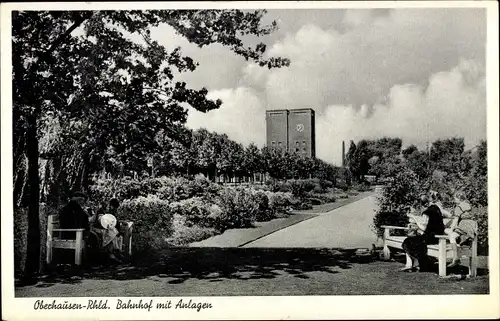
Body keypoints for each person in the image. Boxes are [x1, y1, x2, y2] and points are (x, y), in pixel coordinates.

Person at [400, 194, 445, 272]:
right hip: (437, 236)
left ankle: (414, 264)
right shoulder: (437, 209)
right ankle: (414, 264)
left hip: (430, 238)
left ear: (424, 204)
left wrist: (413, 217)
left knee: (407, 241)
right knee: (413, 240)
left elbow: (423, 228)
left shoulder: (427, 212)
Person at [442, 192, 473, 267]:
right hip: (472, 225)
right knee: (458, 237)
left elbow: (456, 219)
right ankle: (457, 255)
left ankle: (455, 257)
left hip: (464, 225)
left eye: (455, 198)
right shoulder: (468, 205)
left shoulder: (458, 207)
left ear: (459, 199)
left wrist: (451, 229)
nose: (454, 200)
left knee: (451, 235)